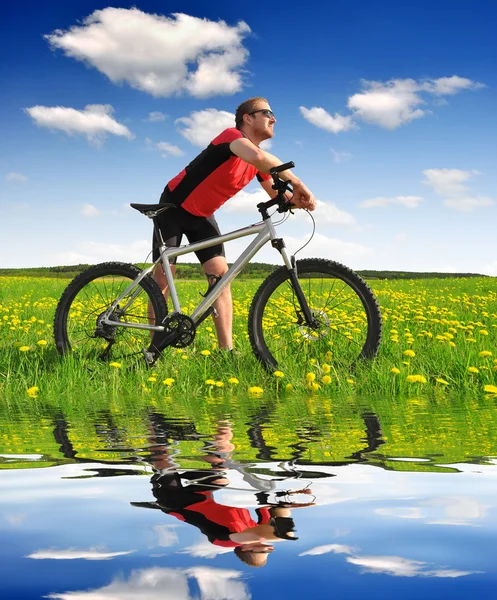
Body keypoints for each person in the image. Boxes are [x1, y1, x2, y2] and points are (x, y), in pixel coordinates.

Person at [152, 97, 316, 350]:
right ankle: (154, 348)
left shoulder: (257, 162)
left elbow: (276, 195)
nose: (274, 119)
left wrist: (297, 201)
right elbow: (259, 157)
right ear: (248, 118)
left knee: (220, 278)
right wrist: (299, 183)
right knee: (163, 278)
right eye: (267, 113)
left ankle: (225, 351)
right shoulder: (231, 137)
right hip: (173, 208)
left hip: (202, 215)